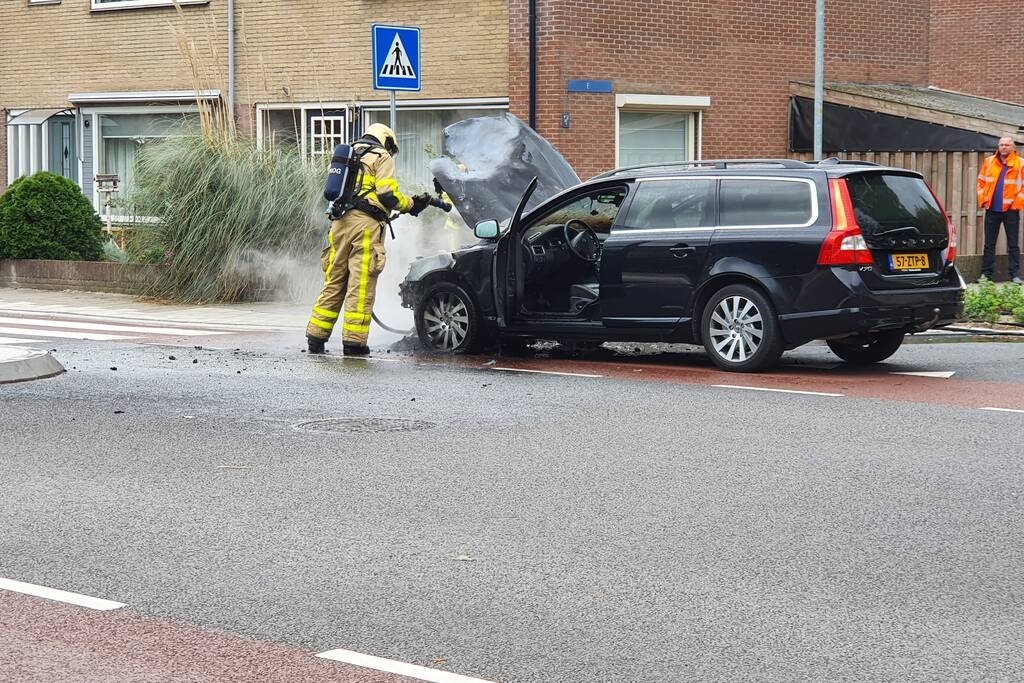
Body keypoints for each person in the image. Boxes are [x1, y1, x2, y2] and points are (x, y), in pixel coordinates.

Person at [305, 123, 430, 355]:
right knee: (360, 285)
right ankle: (354, 343)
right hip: (365, 227)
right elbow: (387, 195)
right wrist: (412, 204)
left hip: (339, 224)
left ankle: (315, 336)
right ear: (386, 140)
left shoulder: (349, 154)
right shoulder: (381, 156)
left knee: (334, 280)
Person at [977, 136, 1023, 283]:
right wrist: (983, 199)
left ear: (1013, 148)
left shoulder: (1021, 164)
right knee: (989, 244)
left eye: (1007, 145)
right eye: (1001, 145)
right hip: (992, 209)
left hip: (1011, 210)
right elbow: (981, 182)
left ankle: (1015, 275)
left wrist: (1016, 204)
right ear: (998, 146)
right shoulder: (989, 162)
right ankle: (986, 275)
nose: (1004, 147)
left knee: (1013, 244)